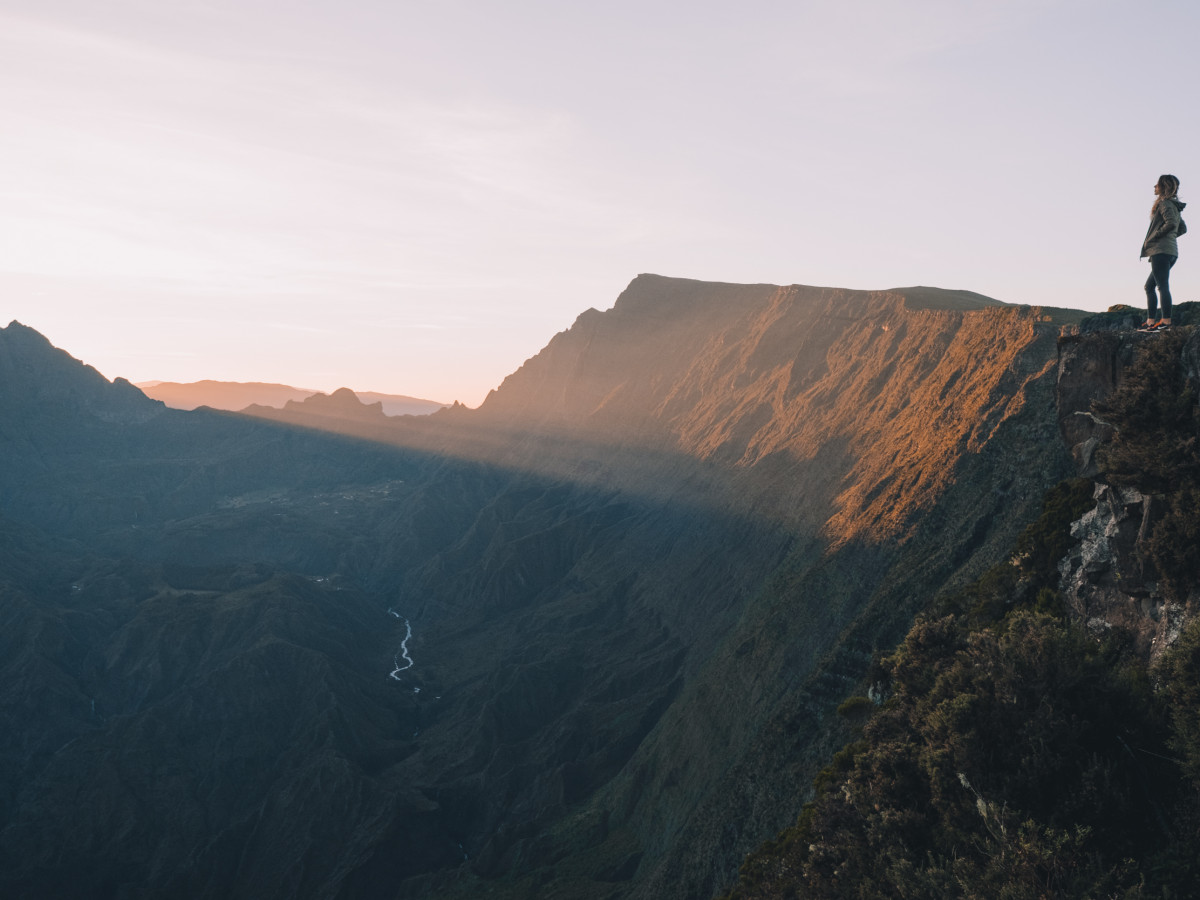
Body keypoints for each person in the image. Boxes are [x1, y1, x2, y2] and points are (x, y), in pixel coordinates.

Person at [1139, 174, 1186, 332]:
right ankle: (1151, 322)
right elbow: (1182, 228)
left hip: (1161, 251)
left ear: (1164, 187)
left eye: (1157, 184)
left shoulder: (1165, 203)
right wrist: (1169, 238)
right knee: (1149, 286)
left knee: (1162, 286)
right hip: (1170, 252)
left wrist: (1156, 236)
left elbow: (1171, 223)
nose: (1154, 187)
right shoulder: (1174, 206)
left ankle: (1166, 322)